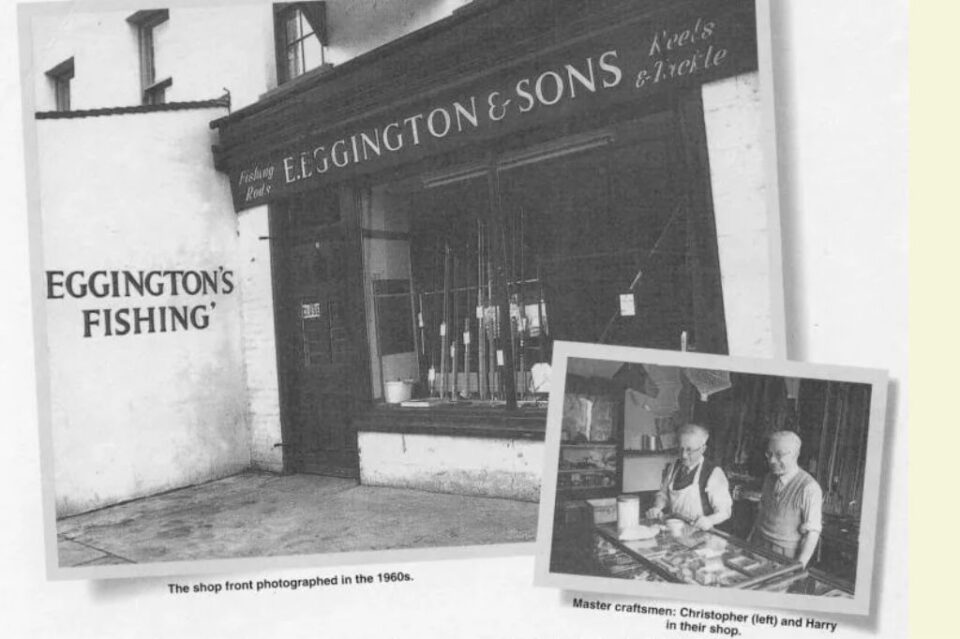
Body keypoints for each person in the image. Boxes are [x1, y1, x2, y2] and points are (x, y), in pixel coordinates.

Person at [749, 430, 823, 567]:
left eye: (779, 455)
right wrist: (749, 542)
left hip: (785, 554)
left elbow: (812, 533)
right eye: (769, 454)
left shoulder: (809, 487)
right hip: (759, 545)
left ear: (795, 454)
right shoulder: (769, 479)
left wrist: (799, 565)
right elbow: (761, 513)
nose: (771, 460)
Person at [645, 424, 732, 531]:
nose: (684, 455)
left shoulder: (714, 473)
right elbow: (663, 495)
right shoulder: (673, 467)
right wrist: (657, 508)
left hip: (701, 534)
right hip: (675, 530)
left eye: (689, 450)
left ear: (702, 449)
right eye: (681, 449)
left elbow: (725, 512)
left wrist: (709, 520)